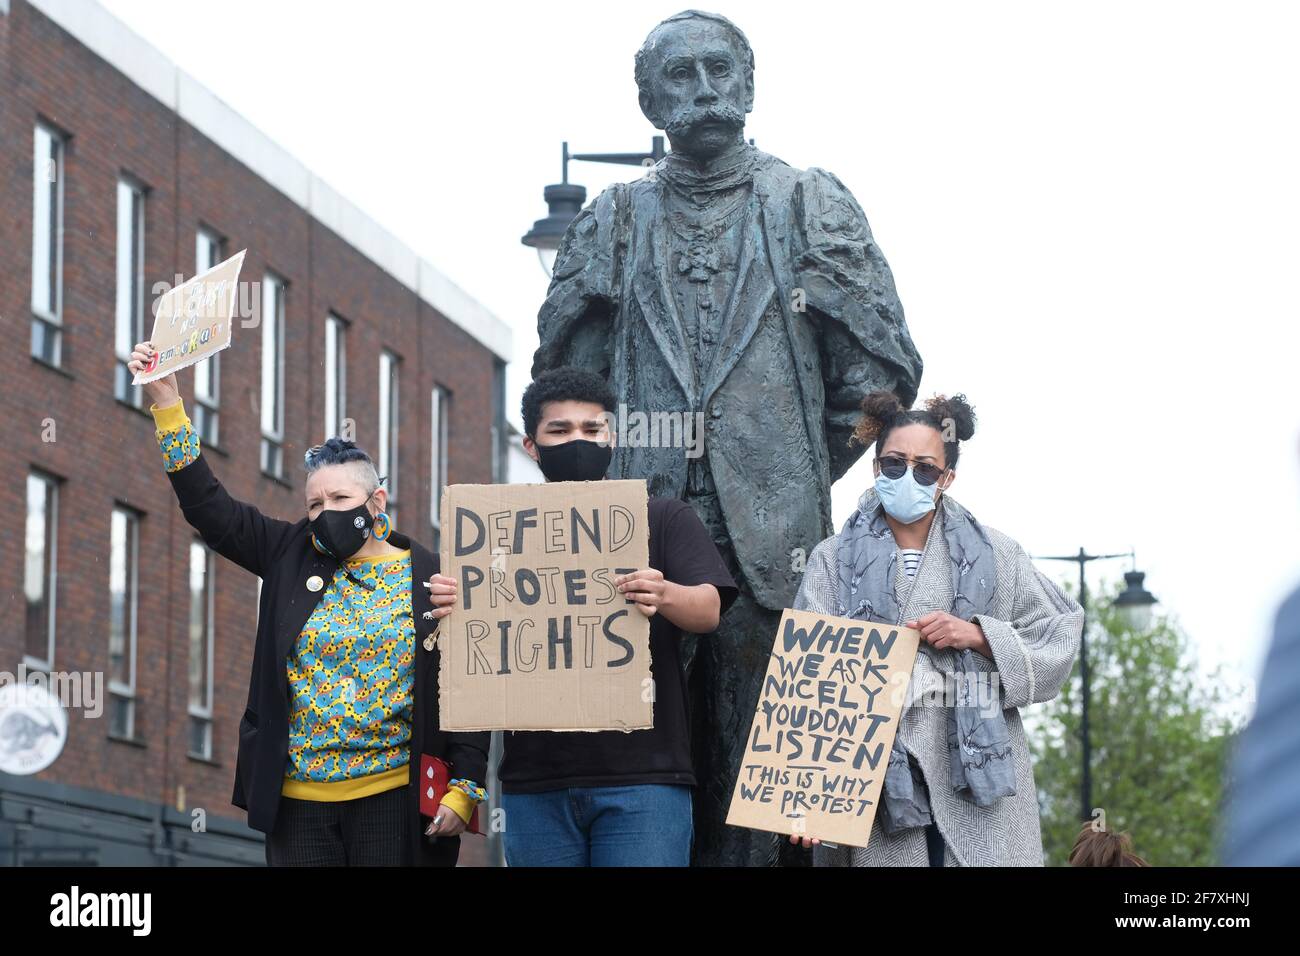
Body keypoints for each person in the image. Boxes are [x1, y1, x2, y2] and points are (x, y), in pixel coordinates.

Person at [127, 340, 489, 866]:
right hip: (300, 806)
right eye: (314, 503)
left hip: (394, 800)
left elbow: (469, 685)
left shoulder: (434, 575)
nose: (325, 514)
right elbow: (212, 510)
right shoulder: (286, 552)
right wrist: (168, 407)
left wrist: (466, 787)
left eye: (340, 500)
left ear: (376, 502)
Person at [426, 367, 738, 866]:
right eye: (561, 430)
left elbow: (709, 610)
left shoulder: (661, 517)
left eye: (592, 430)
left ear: (611, 436)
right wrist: (454, 606)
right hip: (535, 784)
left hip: (644, 779)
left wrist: (665, 593)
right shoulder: (496, 534)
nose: (579, 441)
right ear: (532, 445)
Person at [790, 390, 1083, 866]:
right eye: (893, 463)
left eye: (924, 468)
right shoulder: (830, 560)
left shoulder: (999, 553)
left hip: (977, 776)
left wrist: (982, 636)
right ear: (875, 468)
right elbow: (808, 681)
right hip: (872, 770)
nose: (908, 476)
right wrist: (806, 795)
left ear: (947, 477)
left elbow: (1060, 630)